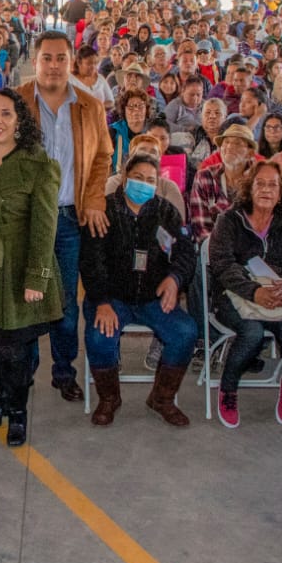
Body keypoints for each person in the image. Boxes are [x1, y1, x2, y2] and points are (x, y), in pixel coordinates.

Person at [18, 31, 113, 402]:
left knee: (65, 303)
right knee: (24, 296)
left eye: (61, 58)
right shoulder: (17, 101)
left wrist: (94, 200)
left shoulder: (90, 107)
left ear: (71, 63)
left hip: (71, 218)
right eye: (47, 58)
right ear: (35, 61)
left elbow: (103, 157)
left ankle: (63, 370)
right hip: (27, 220)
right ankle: (24, 370)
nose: (54, 65)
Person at [80, 153, 197, 427]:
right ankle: (109, 398)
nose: (143, 184)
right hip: (112, 299)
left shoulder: (166, 212)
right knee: (100, 336)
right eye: (138, 178)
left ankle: (162, 398)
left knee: (185, 332)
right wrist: (101, 302)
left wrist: (175, 279)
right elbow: (90, 260)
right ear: (124, 178)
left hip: (151, 299)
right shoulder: (104, 210)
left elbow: (185, 253)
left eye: (150, 180)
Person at [209, 161, 282, 428]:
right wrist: (254, 292)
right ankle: (228, 390)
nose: (266, 190)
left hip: (281, 294)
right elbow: (222, 264)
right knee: (251, 334)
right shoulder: (229, 220)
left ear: (281, 191)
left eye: (272, 185)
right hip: (236, 295)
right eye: (260, 184)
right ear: (248, 188)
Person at [188, 123, 257, 242]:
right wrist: (220, 250)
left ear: (250, 153)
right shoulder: (205, 177)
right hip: (214, 248)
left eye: (237, 143)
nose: (230, 147)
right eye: (226, 142)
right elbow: (201, 227)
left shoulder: (258, 180)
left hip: (251, 248)